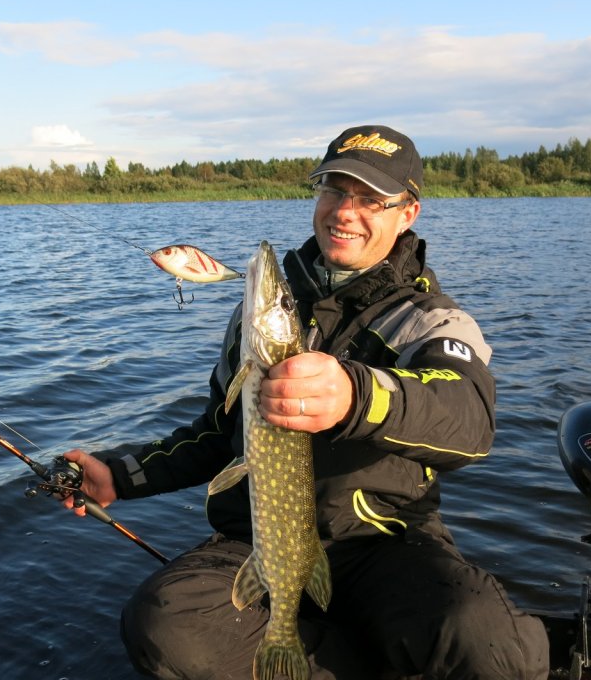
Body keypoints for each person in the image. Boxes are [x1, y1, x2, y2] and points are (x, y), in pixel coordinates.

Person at [63, 125, 550, 680]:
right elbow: (217, 434)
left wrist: (355, 396)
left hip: (384, 542)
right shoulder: (262, 317)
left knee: (489, 642)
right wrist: (120, 477)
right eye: (334, 191)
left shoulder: (431, 321)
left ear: (408, 213)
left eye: (371, 199)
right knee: (164, 623)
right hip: (258, 539)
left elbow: (468, 419)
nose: (345, 212)